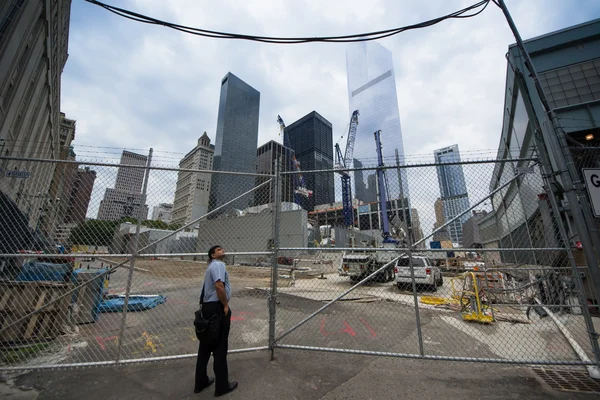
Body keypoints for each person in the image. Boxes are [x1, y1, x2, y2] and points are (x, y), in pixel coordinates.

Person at [194, 245, 238, 396]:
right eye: (218, 249)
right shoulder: (219, 265)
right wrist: (225, 305)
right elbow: (219, 286)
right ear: (213, 255)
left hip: (207, 308)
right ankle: (222, 386)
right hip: (217, 309)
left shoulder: (210, 267)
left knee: (205, 348)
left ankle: (200, 382)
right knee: (220, 348)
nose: (222, 250)